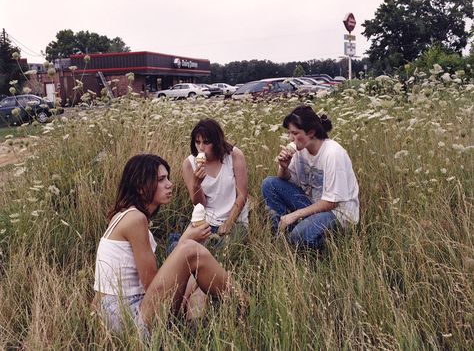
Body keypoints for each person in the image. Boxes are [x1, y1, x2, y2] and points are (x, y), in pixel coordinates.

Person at [93, 154, 237, 337]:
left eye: (167, 178)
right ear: (140, 186)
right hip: (127, 316)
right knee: (191, 252)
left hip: (111, 313)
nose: (169, 184)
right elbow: (152, 285)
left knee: (199, 279)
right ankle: (242, 304)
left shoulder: (121, 215)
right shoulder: (135, 219)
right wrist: (186, 240)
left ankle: (195, 329)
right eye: (161, 179)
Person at [261, 105, 359, 249]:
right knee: (269, 184)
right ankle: (281, 236)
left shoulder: (332, 153)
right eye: (289, 133)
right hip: (311, 204)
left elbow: (331, 202)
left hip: (337, 213)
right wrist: (283, 167)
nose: (291, 138)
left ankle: (327, 246)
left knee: (299, 236)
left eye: (295, 133)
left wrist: (294, 215)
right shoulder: (301, 148)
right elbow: (288, 180)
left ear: (311, 132)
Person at [181, 118, 249, 243]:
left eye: (206, 142)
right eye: (197, 142)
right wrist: (196, 185)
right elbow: (200, 204)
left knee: (226, 248)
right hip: (206, 220)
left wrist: (229, 223)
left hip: (235, 220)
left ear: (217, 142)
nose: (201, 148)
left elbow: (242, 194)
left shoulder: (233, 155)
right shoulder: (189, 164)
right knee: (187, 248)